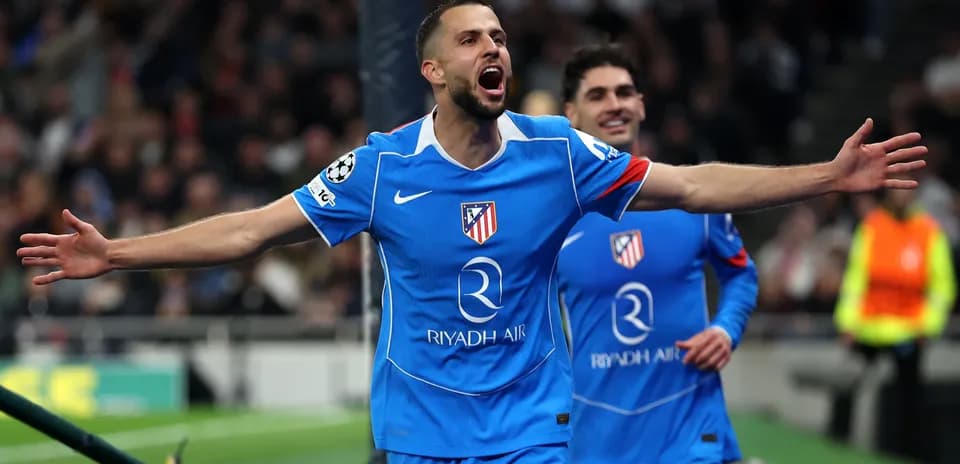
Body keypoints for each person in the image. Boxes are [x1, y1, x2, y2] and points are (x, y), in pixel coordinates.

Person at [18, 1, 927, 462]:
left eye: (499, 36)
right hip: (419, 425)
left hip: (530, 423)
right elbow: (252, 231)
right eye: (470, 39)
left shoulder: (559, 153)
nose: (493, 48)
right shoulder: (379, 167)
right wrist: (116, 254)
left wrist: (825, 175)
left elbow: (693, 187)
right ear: (429, 67)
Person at [557, 44, 757, 464]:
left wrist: (725, 330)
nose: (614, 105)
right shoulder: (552, 219)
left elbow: (740, 275)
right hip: (596, 443)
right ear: (570, 114)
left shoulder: (693, 201)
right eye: (597, 95)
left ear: (642, 105)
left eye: (624, 92)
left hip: (691, 436)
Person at [833, 182, 955, 459]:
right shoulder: (872, 227)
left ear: (914, 192)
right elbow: (856, 280)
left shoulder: (929, 231)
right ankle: (836, 450)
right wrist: (848, 323)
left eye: (907, 188)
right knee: (845, 391)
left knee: (909, 405)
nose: (902, 195)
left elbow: (942, 288)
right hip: (869, 330)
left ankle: (907, 455)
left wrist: (928, 326)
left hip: (909, 333)